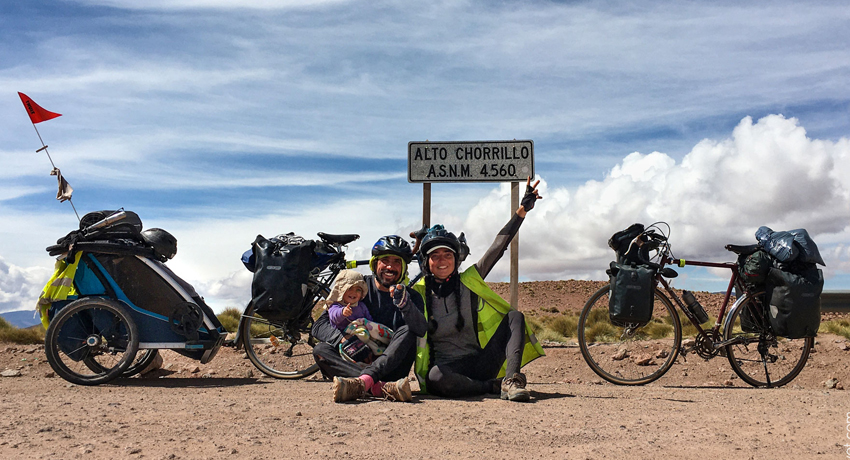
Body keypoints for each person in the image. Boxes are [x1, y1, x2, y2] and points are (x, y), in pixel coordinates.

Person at [411, 177, 546, 402]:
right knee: (435, 378)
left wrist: (522, 211)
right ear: (427, 263)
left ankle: (511, 380)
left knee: (515, 317)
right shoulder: (418, 291)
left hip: (481, 361)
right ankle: (492, 387)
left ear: (456, 259)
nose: (442, 260)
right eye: (434, 256)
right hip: (447, 370)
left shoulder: (469, 279)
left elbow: (498, 247)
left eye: (447, 255)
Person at [312, 235, 427, 403]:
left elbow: (420, 329)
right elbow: (319, 326)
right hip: (356, 360)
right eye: (385, 260)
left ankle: (362, 383)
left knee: (408, 329)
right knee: (321, 350)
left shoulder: (411, 296)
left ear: (403, 268)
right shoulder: (356, 287)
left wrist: (405, 305)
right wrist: (347, 341)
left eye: (397, 262)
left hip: (391, 367)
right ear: (374, 263)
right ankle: (377, 387)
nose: (390, 266)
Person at [327, 269, 394, 359]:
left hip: (364, 331)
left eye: (358, 290)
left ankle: (380, 346)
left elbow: (369, 319)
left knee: (372, 333)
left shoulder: (361, 305)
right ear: (341, 290)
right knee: (362, 335)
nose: (354, 293)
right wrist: (342, 312)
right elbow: (333, 317)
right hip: (348, 335)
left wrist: (371, 327)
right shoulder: (336, 305)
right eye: (350, 288)